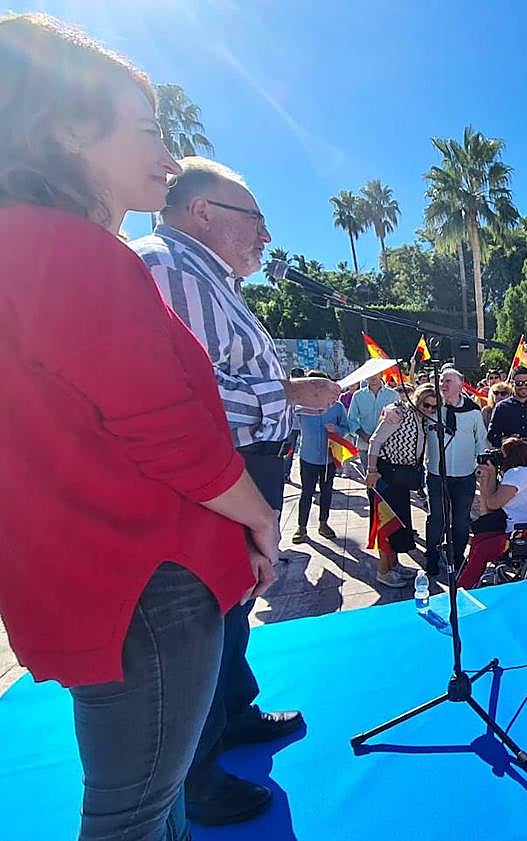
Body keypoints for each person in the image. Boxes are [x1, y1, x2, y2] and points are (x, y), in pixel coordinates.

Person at [0, 14, 282, 839]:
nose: (167, 155)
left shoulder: (35, 245)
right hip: (144, 582)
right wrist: (260, 519)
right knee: (134, 818)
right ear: (68, 128)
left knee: (151, 810)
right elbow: (167, 428)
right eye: (148, 130)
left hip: (112, 571)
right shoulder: (65, 251)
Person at [133, 156, 344, 823]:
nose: (267, 236)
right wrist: (289, 395)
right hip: (209, 480)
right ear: (202, 212)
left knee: (233, 602)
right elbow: (181, 396)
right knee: (200, 616)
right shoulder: (166, 267)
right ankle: (196, 777)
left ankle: (230, 715)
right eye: (256, 220)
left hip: (244, 468)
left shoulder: (209, 278)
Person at [459, 438, 527, 588]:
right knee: (479, 539)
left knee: (482, 550)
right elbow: (488, 509)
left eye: (502, 455)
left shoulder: (518, 473)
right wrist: (486, 478)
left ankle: (462, 589)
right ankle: (467, 583)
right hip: (526, 529)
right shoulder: (524, 473)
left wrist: (491, 475)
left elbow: (492, 503)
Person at [366, 384, 433, 587]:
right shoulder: (399, 412)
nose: (430, 409)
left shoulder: (423, 419)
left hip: (401, 478)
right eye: (426, 405)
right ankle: (383, 571)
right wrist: (371, 470)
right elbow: (375, 441)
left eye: (434, 407)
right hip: (385, 474)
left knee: (398, 523)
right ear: (417, 401)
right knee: (385, 522)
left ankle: (394, 564)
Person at [423, 367, 488, 576]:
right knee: (436, 519)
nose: (443, 384)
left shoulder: (473, 411)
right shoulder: (430, 408)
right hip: (436, 474)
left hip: (464, 476)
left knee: (461, 521)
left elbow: (481, 440)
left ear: (460, 385)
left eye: (448, 381)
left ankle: (457, 558)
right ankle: (432, 558)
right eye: (441, 380)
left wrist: (482, 465)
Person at [292, 371, 351, 542]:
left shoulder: (337, 407)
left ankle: (323, 523)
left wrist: (336, 430)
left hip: (328, 458)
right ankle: (301, 527)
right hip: (308, 457)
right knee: (306, 492)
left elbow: (346, 428)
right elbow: (290, 425)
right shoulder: (300, 406)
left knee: (326, 491)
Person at [348, 372, 399, 460]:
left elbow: (398, 419)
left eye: (376, 373)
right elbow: (351, 419)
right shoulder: (358, 395)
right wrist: (364, 436)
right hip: (364, 445)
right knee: (367, 469)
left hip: (387, 445)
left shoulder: (393, 395)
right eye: (370, 373)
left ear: (381, 374)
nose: (373, 376)